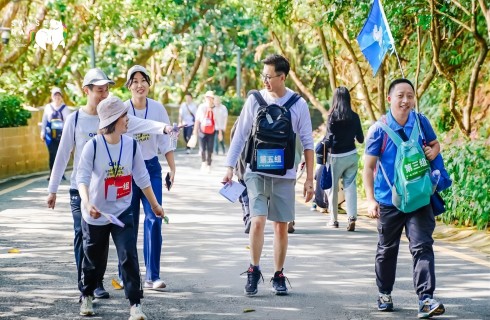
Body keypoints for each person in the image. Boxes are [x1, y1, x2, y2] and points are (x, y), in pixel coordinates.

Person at [46, 68, 173, 301]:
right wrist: (52, 190)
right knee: (82, 236)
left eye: (106, 89)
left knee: (99, 241)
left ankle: (96, 282)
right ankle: (87, 285)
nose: (104, 93)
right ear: (87, 90)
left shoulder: (115, 116)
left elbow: (142, 124)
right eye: (99, 89)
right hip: (80, 188)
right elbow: (63, 155)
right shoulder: (75, 119)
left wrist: (164, 128)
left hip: (105, 190)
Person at [223, 54, 314, 296]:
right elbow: (240, 135)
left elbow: (308, 144)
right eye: (263, 75)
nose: (264, 80)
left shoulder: (298, 104)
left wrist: (310, 179)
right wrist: (229, 167)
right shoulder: (254, 100)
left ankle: (279, 274)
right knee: (258, 220)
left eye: (269, 76)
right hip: (256, 171)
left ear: (282, 77)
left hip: (285, 173)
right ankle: (254, 269)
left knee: (281, 227)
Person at [363, 78, 445, 319]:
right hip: (390, 200)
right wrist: (370, 199)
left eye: (410, 96)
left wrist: (433, 150)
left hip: (420, 197)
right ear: (390, 99)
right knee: (387, 249)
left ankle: (426, 299)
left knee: (422, 246)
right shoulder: (379, 129)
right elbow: (368, 167)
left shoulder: (421, 122)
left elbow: (435, 144)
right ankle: (384, 293)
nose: (406, 100)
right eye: (400, 95)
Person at [77, 96, 163, 319]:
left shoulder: (131, 145)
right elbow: (82, 179)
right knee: (94, 259)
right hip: (96, 212)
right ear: (114, 120)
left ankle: (135, 304)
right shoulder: (93, 147)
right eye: (125, 116)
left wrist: (155, 205)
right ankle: (86, 295)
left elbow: (142, 177)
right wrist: (87, 204)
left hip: (123, 211)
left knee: (128, 255)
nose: (128, 120)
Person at [121, 65, 175, 290]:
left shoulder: (158, 108)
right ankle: (128, 275)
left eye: (143, 80)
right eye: (134, 81)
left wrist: (173, 168)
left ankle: (153, 275)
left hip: (151, 168)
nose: (139, 84)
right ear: (129, 86)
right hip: (127, 170)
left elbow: (166, 141)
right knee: (127, 224)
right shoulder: (122, 110)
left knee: (155, 219)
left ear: (149, 84)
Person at [324, 86, 364, 231]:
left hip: (335, 157)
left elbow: (328, 139)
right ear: (348, 99)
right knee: (350, 186)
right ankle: (352, 217)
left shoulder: (332, 117)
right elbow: (360, 139)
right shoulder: (355, 116)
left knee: (333, 189)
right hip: (351, 156)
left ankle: (333, 220)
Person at [40, 87, 70, 180]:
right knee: (52, 153)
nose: (57, 97)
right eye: (55, 95)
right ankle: (52, 174)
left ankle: (61, 174)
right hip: (50, 135)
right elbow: (44, 120)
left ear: (61, 96)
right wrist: (42, 132)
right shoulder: (48, 107)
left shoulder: (65, 108)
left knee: (60, 154)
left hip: (61, 135)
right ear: (52, 96)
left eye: (59, 95)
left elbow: (68, 122)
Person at [194, 90, 216, 173]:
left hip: (212, 130)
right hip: (202, 130)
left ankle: (209, 164)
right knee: (202, 148)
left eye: (211, 98)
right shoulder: (201, 107)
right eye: (208, 97)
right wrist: (194, 131)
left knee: (210, 148)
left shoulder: (215, 108)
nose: (209, 99)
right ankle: (203, 163)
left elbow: (218, 120)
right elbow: (197, 119)